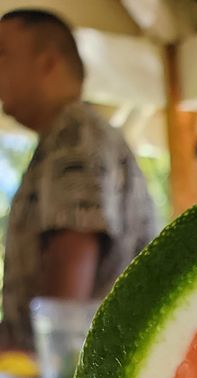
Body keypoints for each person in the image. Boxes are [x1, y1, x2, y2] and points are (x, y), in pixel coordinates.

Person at [0, 8, 156, 349]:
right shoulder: (66, 136)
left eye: (3, 53)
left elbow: (65, 304)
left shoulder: (75, 136)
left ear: (47, 63)